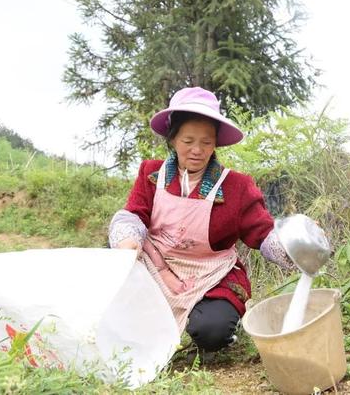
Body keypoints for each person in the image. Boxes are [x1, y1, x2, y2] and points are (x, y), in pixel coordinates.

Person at [108, 87, 293, 353]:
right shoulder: (152, 174)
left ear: (215, 143)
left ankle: (219, 324)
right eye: (188, 140)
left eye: (206, 142)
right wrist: (127, 237)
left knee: (211, 331)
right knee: (117, 299)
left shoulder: (235, 186)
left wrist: (291, 245)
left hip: (209, 275)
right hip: (157, 268)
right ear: (172, 139)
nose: (197, 150)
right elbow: (133, 214)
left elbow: (262, 232)